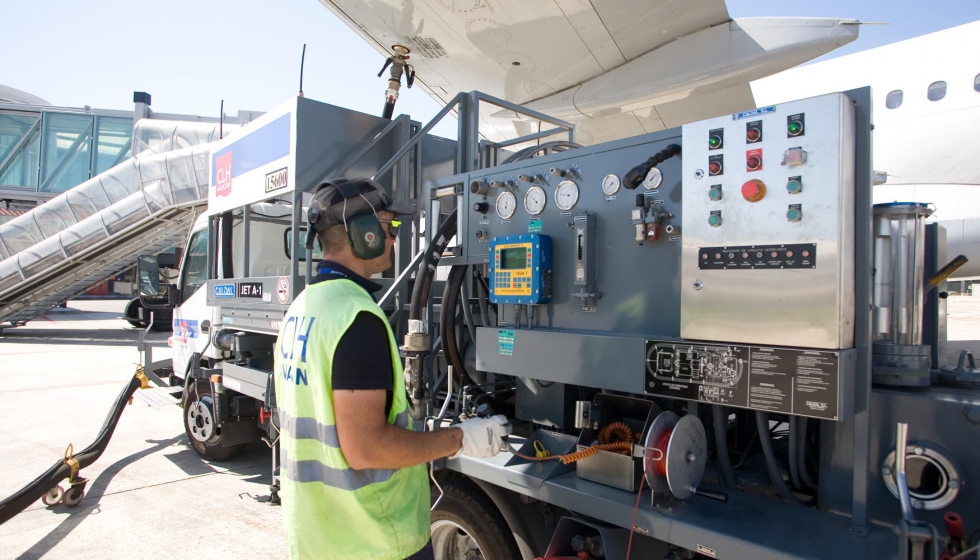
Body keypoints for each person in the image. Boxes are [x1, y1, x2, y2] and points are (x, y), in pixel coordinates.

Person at [274, 178, 511, 560]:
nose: (395, 238)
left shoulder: (301, 309)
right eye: (390, 227)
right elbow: (367, 446)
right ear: (363, 233)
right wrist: (459, 438)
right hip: (373, 539)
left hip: (318, 537)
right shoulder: (357, 319)